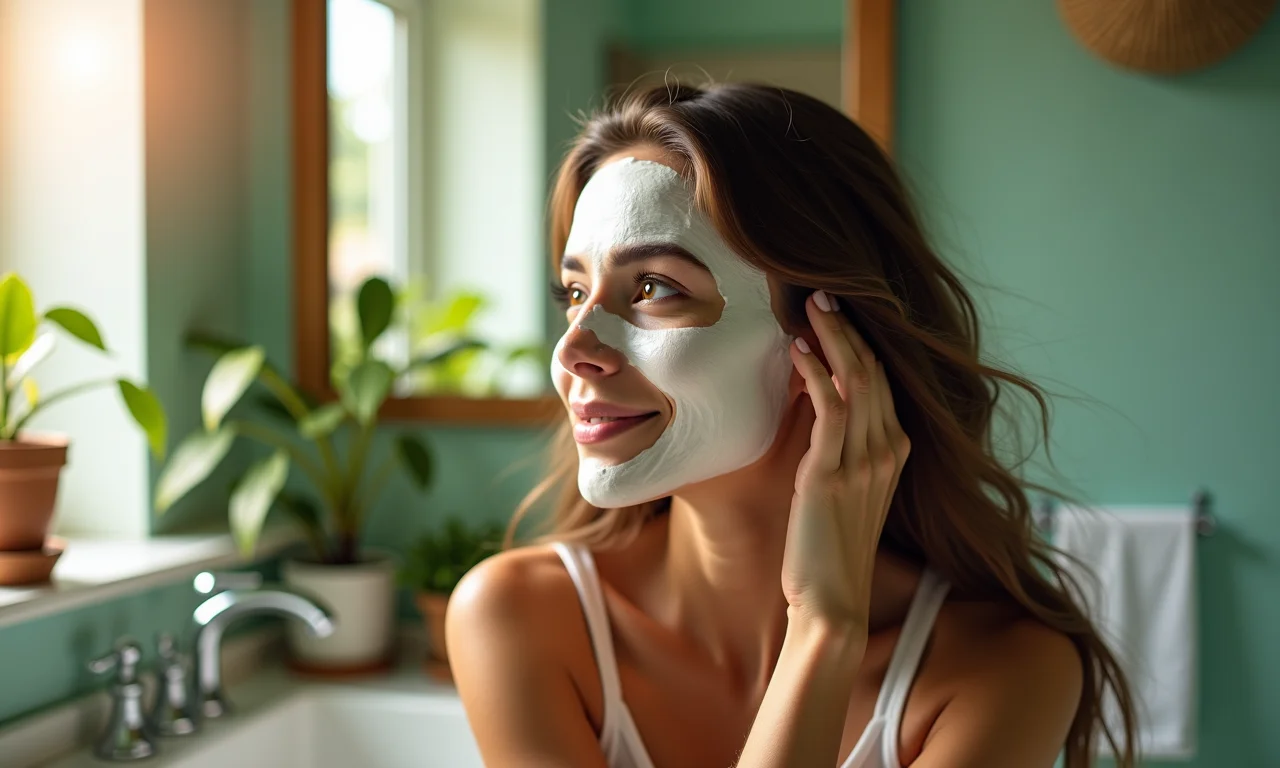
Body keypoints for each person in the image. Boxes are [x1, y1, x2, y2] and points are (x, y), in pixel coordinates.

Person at [447, 83, 1137, 768]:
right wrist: (821, 632)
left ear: (831, 339)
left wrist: (823, 627)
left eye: (655, 287)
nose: (571, 350)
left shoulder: (1006, 670)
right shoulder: (518, 618)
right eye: (575, 293)